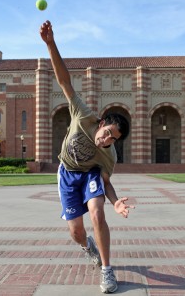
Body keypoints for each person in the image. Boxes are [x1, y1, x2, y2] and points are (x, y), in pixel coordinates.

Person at [40, 20, 135, 294]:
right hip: (67, 173)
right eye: (107, 133)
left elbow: (105, 181)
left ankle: (107, 270)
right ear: (102, 121)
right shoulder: (83, 114)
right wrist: (50, 43)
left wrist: (115, 202)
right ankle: (87, 246)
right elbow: (64, 81)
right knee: (76, 232)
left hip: (90, 174)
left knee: (97, 212)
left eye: (112, 139)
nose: (106, 140)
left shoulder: (109, 154)